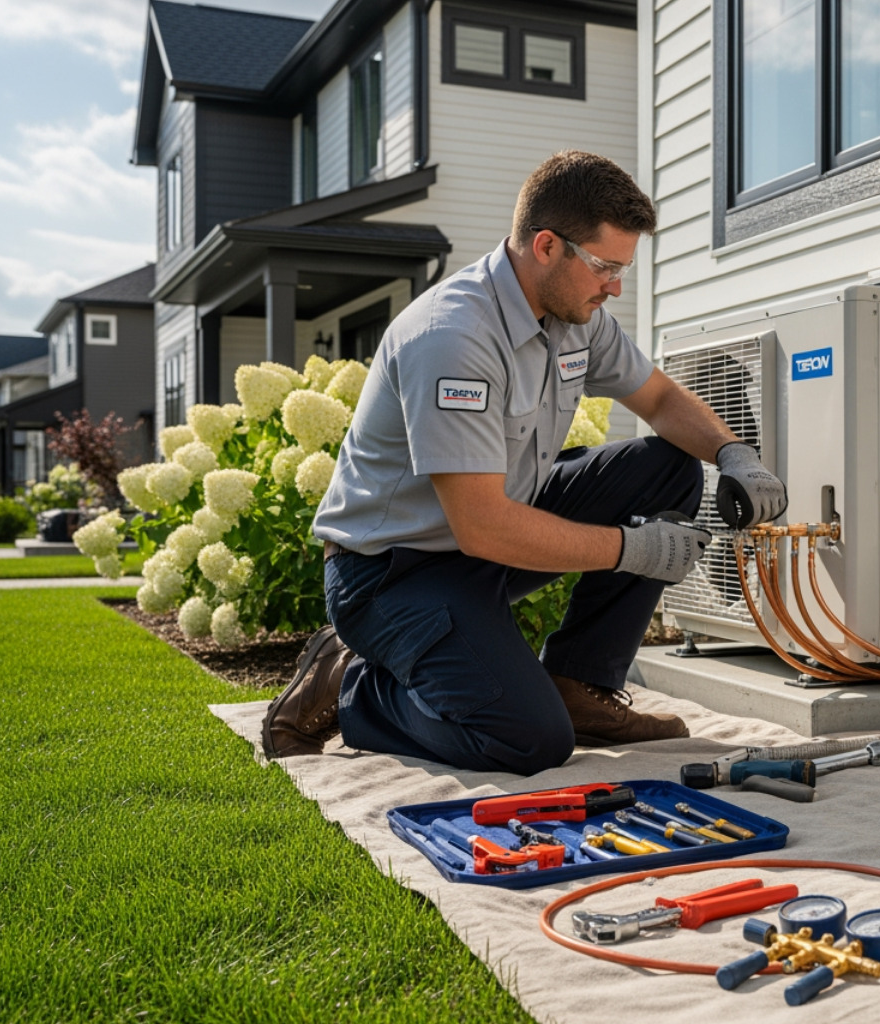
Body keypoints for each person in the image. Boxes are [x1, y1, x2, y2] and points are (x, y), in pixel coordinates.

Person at [260, 151, 786, 774]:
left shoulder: (576, 317)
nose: (615, 286)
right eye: (606, 267)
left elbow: (663, 400)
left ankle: (580, 686)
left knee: (668, 466)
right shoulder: (453, 338)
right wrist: (630, 550)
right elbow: (480, 526)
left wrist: (736, 455)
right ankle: (351, 685)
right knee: (529, 740)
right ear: (545, 246)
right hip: (394, 575)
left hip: (489, 540)